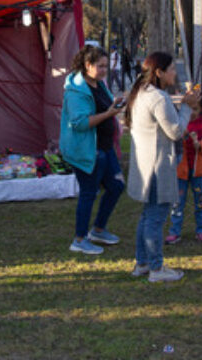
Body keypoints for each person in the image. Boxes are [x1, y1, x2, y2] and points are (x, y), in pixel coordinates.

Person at [123, 52, 201, 283]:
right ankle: (156, 268)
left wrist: (184, 103)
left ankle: (143, 263)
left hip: (146, 166)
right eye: (172, 69)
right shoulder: (158, 97)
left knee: (147, 216)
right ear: (159, 72)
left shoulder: (142, 93)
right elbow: (175, 131)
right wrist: (188, 107)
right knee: (155, 219)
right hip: (157, 167)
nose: (175, 74)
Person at [59, 45, 126, 256]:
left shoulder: (99, 84)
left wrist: (114, 106)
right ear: (87, 65)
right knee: (89, 192)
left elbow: (105, 108)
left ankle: (98, 229)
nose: (105, 70)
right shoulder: (76, 91)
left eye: (107, 65)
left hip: (105, 148)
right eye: (101, 66)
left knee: (116, 186)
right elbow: (79, 123)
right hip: (88, 151)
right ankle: (79, 239)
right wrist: (109, 114)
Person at [165, 96, 202, 245]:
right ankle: (175, 231)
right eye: (189, 109)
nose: (192, 113)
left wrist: (199, 145)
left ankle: (201, 229)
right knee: (177, 203)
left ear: (201, 109)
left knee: (200, 202)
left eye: (195, 109)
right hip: (180, 171)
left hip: (199, 172)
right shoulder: (178, 124)